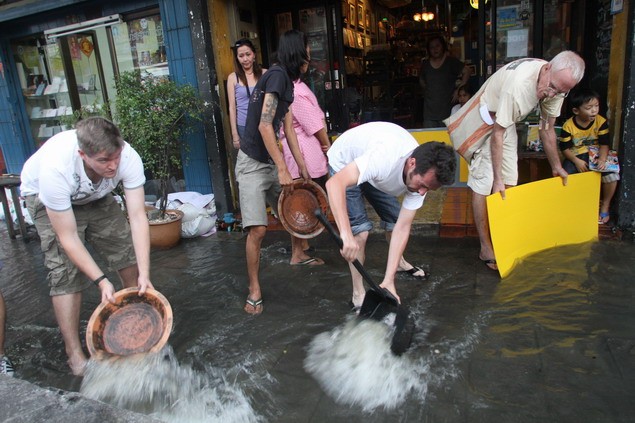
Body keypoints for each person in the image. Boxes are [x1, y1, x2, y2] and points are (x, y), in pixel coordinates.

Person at [20, 117, 153, 375]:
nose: (113, 165)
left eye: (116, 156)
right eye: (104, 160)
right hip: (47, 198)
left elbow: (137, 217)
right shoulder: (56, 169)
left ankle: (139, 328)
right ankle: (74, 354)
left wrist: (145, 273)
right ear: (83, 154)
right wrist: (101, 281)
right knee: (65, 273)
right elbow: (67, 237)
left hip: (97, 193)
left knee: (127, 255)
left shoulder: (127, 157)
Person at [443, 51, 585, 271]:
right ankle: (485, 248)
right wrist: (497, 179)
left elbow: (547, 129)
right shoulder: (519, 87)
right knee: (486, 181)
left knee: (511, 180)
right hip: (485, 122)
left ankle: (502, 236)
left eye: (561, 91)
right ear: (547, 69)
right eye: (553, 87)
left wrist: (556, 167)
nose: (552, 94)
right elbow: (497, 133)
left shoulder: (557, 85)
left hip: (505, 122)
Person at [236, 29, 321, 316]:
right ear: (298, 50)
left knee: (294, 204)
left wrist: (303, 167)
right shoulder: (276, 76)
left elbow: (286, 130)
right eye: (307, 48)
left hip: (271, 161)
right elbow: (263, 125)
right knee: (258, 230)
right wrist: (284, 169)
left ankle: (298, 255)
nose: (310, 53)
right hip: (251, 163)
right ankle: (254, 289)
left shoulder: (288, 83)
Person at [326, 122, 456, 307]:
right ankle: (358, 294)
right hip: (344, 164)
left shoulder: (419, 178)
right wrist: (345, 234)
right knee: (360, 233)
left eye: (428, 189)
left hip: (375, 172)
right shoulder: (383, 158)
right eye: (422, 185)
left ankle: (398, 264)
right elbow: (334, 184)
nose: (421, 193)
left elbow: (403, 227)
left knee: (396, 221)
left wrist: (389, 281)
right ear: (412, 163)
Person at [559, 88, 618, 224]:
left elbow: (604, 144)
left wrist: (603, 160)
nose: (594, 111)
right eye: (589, 108)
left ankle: (605, 206)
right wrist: (576, 161)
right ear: (576, 111)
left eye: (596, 106)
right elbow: (564, 149)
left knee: (612, 175)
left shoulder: (601, 122)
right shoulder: (568, 126)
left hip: (597, 154)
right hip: (576, 155)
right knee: (565, 175)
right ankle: (572, 208)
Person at [419, 35, 471, 128]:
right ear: (428, 50)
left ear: (442, 46)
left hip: (447, 110)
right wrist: (427, 90)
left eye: (437, 46)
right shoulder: (425, 64)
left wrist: (458, 90)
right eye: (432, 47)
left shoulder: (451, 62)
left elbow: (467, 71)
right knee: (431, 140)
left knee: (447, 140)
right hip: (429, 112)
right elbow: (421, 79)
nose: (435, 49)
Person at [227, 38, 266, 151]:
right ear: (237, 58)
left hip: (264, 124)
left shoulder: (265, 74)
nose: (245, 59)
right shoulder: (233, 78)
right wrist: (235, 135)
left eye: (248, 54)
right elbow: (232, 108)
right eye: (241, 56)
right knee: (250, 162)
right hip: (243, 126)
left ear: (254, 54)